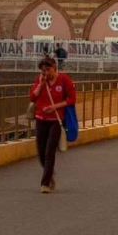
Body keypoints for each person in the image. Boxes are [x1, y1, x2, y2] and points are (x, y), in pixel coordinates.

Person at [28, 55, 76, 193]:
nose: (46, 73)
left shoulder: (64, 80)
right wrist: (41, 85)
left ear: (54, 67)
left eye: (48, 70)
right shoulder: (40, 80)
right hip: (40, 119)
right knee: (41, 152)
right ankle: (49, 174)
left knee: (50, 152)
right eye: (43, 70)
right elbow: (32, 97)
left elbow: (72, 99)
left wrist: (55, 106)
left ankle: (45, 183)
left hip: (56, 120)